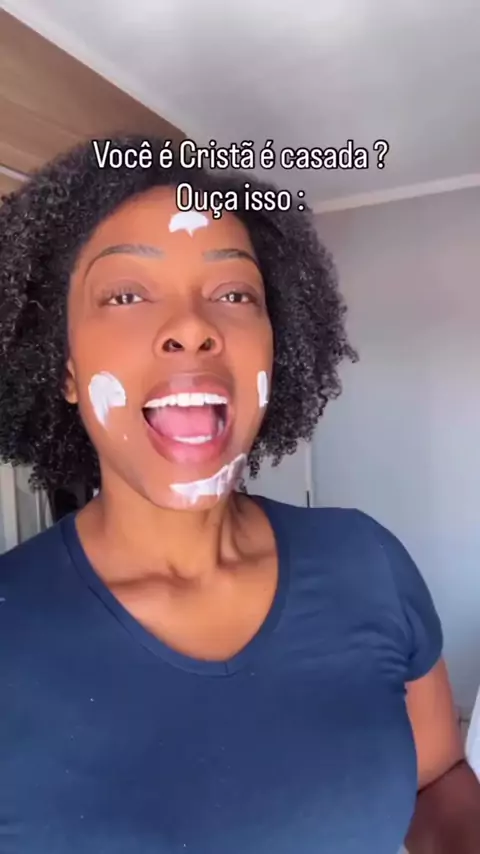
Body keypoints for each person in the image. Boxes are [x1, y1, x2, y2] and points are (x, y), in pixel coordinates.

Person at [0, 136, 478, 854]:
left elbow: (436, 779)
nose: (193, 327)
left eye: (233, 294)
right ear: (62, 367)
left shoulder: (366, 560)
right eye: (126, 294)